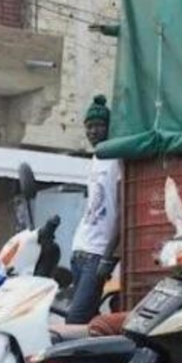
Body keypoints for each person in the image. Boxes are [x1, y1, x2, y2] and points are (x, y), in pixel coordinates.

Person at [66, 95, 122, 325]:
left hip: (98, 254)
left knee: (75, 320)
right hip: (80, 249)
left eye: (98, 126)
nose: (92, 131)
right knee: (87, 320)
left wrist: (108, 257)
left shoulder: (118, 159)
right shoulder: (95, 159)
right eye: (89, 127)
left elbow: (121, 210)